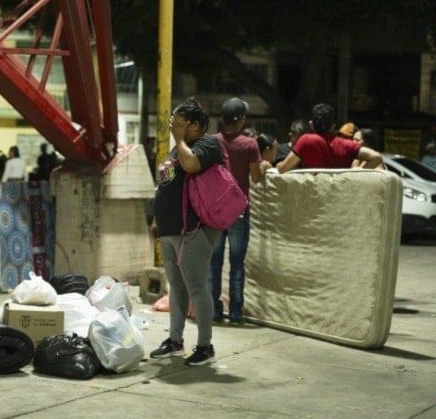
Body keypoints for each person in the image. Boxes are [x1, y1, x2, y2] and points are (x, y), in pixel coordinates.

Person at [149, 98, 222, 366]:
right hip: (170, 228)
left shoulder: (208, 144)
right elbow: (166, 185)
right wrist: (157, 218)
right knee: (176, 288)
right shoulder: (177, 148)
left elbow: (191, 165)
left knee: (197, 287)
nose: (174, 129)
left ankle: (205, 345)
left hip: (193, 229)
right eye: (174, 124)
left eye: (180, 125)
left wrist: (179, 141)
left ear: (195, 125)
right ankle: (175, 341)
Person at [208, 98, 265, 326]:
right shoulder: (250, 144)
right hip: (239, 212)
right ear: (241, 119)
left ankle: (213, 310)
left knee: (214, 262)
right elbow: (257, 177)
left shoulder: (212, 142)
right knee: (237, 263)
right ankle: (236, 312)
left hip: (214, 211)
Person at [277, 104, 383, 172]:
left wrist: (278, 165)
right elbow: (376, 157)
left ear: (311, 125)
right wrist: (358, 175)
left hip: (314, 199)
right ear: (333, 126)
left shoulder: (305, 140)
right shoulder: (347, 144)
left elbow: (283, 169)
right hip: (339, 200)